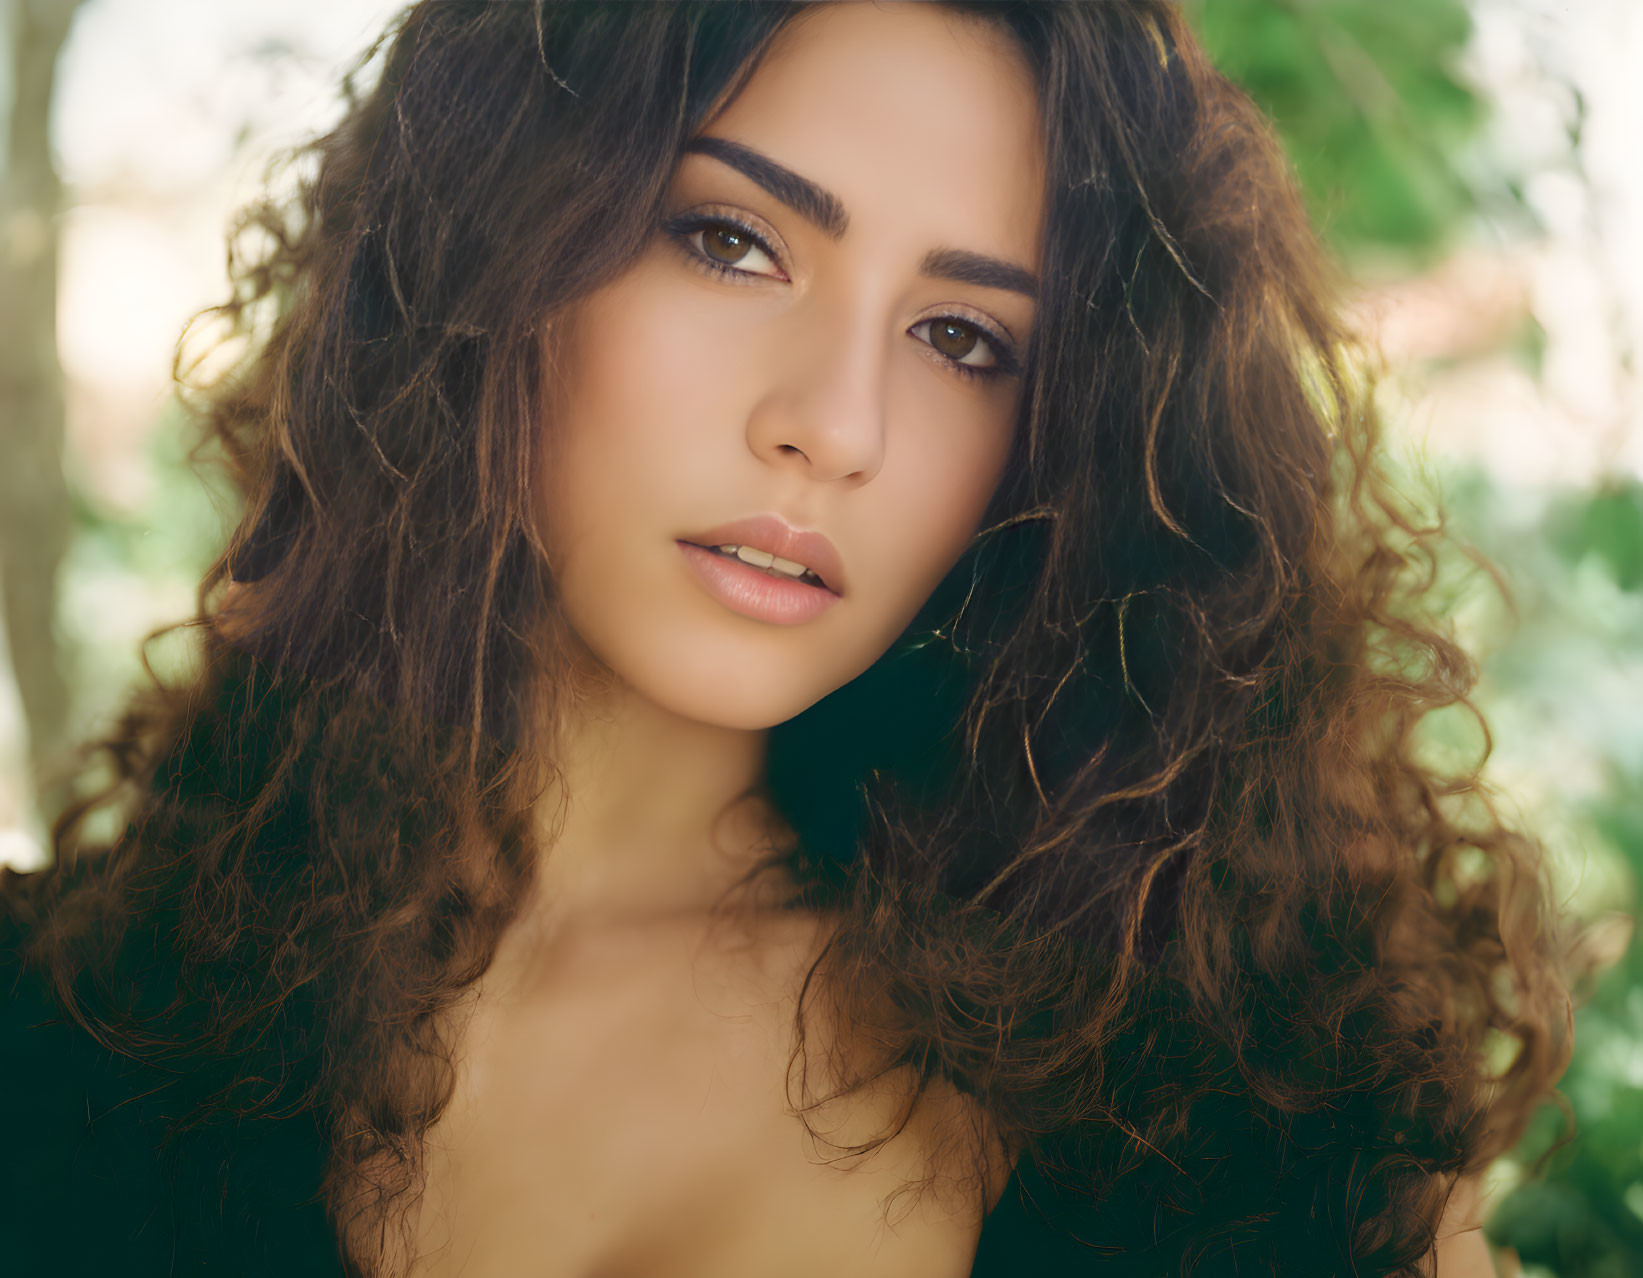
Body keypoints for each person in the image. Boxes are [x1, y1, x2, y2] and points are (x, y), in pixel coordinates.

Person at [0, 2, 1570, 1275]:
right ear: (495, 244)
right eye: (731, 241)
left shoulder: (1223, 1113)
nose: (835, 424)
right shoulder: (62, 1017)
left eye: (962, 338)